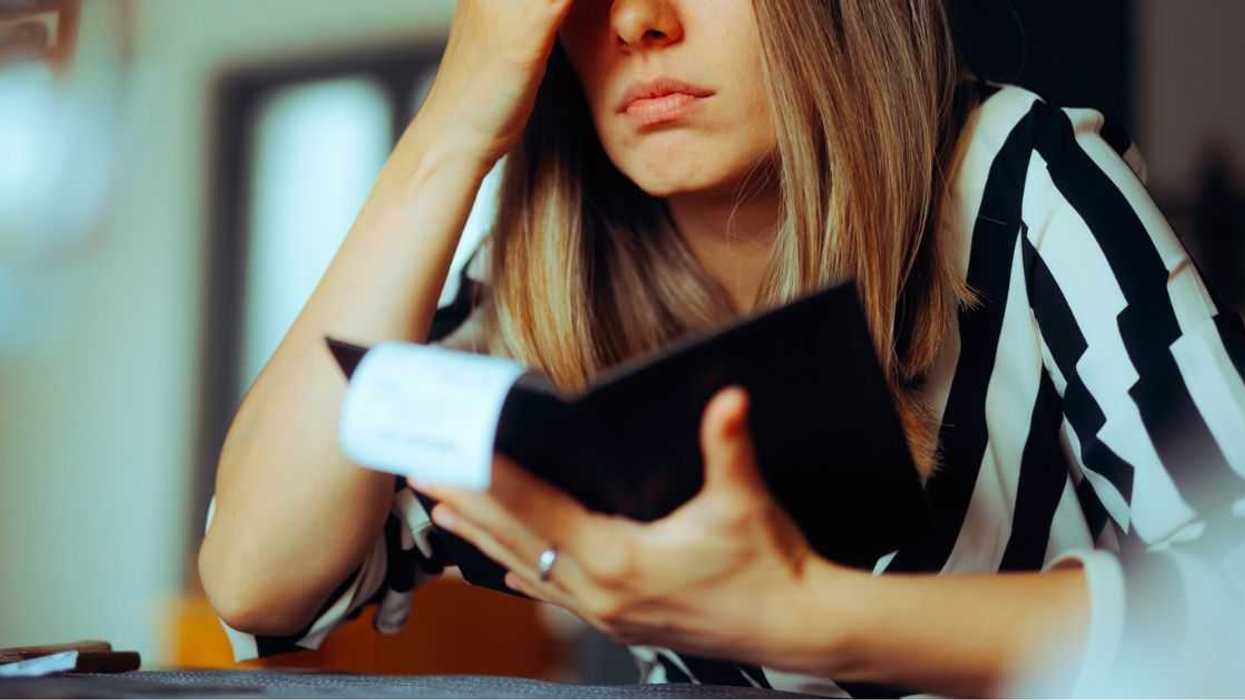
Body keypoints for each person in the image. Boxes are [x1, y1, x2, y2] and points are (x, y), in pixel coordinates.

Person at [197, 0, 1245, 695]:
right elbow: (257, 580)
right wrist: (450, 128)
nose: (642, 21)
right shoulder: (532, 298)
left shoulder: (1021, 181)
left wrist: (810, 616)